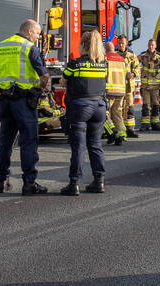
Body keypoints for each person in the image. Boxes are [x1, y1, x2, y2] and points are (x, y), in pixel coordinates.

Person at [0, 19, 51, 195]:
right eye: (37, 34)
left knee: (6, 142)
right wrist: (41, 88)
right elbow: (44, 75)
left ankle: (2, 180)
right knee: (29, 141)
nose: (37, 38)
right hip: (24, 102)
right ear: (29, 31)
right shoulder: (29, 47)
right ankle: (29, 183)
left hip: (5, 100)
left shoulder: (2, 45)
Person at [60, 31, 108, 196]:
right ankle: (99, 181)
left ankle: (74, 184)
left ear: (83, 45)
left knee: (78, 147)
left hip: (81, 107)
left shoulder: (75, 63)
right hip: (99, 107)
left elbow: (63, 80)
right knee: (95, 145)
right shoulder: (103, 64)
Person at [138, 38, 160, 131]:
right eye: (149, 45)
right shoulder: (143, 56)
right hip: (145, 86)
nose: (151, 47)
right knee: (146, 105)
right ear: (148, 45)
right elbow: (134, 62)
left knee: (155, 105)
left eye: (152, 45)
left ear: (155, 46)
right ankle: (145, 124)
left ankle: (155, 123)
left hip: (156, 86)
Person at [116, 35, 141, 138]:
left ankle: (130, 129)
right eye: (120, 43)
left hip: (129, 86)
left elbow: (137, 67)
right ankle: (120, 129)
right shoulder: (115, 55)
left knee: (129, 108)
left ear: (126, 43)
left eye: (123, 43)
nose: (121, 44)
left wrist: (133, 74)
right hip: (118, 85)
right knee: (119, 108)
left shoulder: (131, 55)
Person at [104, 41, 128, 145]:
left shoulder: (105, 59)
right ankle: (122, 135)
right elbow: (126, 75)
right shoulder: (122, 59)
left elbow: (103, 75)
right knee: (117, 114)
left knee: (104, 114)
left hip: (109, 91)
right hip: (121, 91)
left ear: (105, 49)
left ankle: (113, 133)